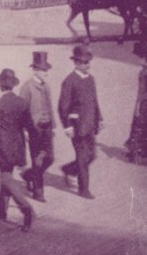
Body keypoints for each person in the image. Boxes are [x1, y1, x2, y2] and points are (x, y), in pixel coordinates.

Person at [0, 68, 34, 232]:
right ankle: (1, 211)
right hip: (18, 146)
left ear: (1, 86)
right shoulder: (22, 102)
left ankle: (26, 209)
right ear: (13, 86)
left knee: (6, 179)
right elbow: (29, 125)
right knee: (7, 176)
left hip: (3, 147)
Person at [58, 43, 101, 198]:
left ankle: (69, 170)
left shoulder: (91, 79)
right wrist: (67, 126)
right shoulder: (69, 81)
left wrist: (99, 118)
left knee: (92, 156)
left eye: (88, 61)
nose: (87, 64)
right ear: (76, 63)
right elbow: (63, 106)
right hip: (77, 127)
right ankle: (83, 189)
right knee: (82, 158)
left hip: (90, 125)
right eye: (84, 62)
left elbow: (95, 101)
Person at [17, 51, 55, 200]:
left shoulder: (46, 86)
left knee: (50, 158)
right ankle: (38, 192)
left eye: (47, 69)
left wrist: (53, 125)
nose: (46, 72)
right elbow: (21, 111)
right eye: (43, 70)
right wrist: (24, 130)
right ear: (35, 70)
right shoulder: (27, 87)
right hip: (34, 128)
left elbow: (50, 106)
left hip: (47, 127)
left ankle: (28, 175)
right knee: (37, 160)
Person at [125, 41, 147, 164]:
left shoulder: (143, 73)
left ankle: (134, 151)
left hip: (143, 103)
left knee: (138, 125)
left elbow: (141, 91)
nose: (139, 60)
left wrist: (138, 105)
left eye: (141, 58)